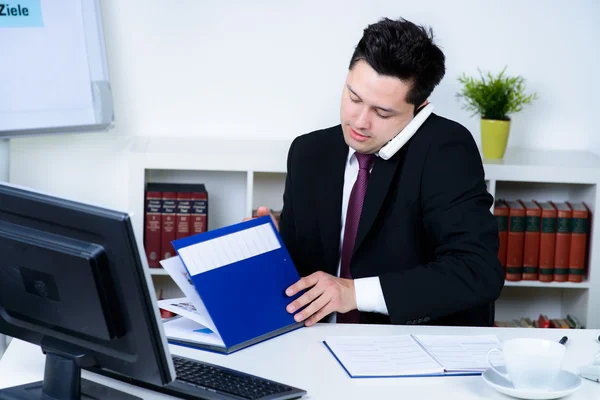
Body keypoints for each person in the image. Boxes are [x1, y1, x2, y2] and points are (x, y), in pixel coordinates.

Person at [255, 17, 504, 327]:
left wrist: (354, 293)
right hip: (311, 342)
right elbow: (303, 270)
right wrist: (265, 247)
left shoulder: (447, 150)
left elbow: (477, 270)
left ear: (420, 107)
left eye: (383, 112)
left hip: (403, 349)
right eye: (354, 98)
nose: (360, 121)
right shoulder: (308, 152)